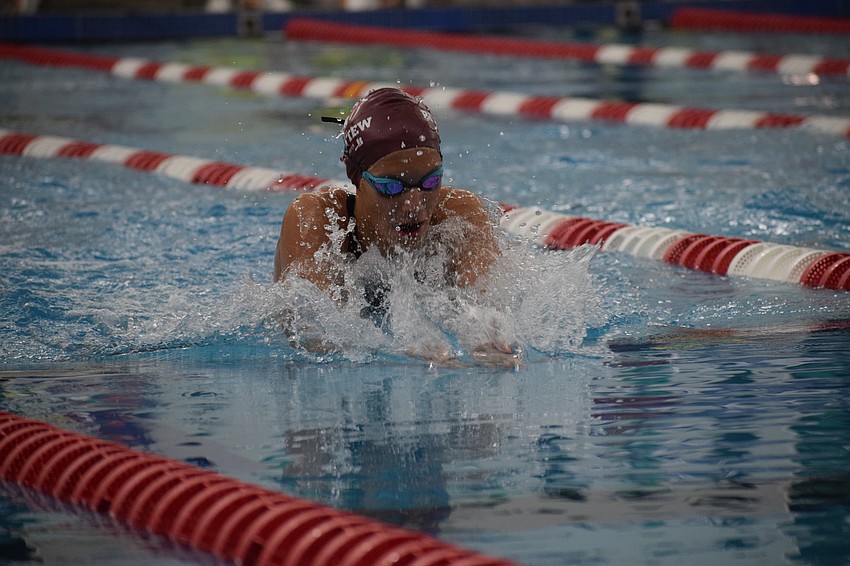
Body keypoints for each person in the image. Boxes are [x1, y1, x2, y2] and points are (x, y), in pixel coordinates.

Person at [274, 87, 516, 365]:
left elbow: (489, 303)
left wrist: (490, 338)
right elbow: (312, 337)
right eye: (391, 186)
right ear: (355, 176)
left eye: (430, 182)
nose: (415, 205)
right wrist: (394, 351)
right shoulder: (317, 221)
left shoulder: (456, 216)